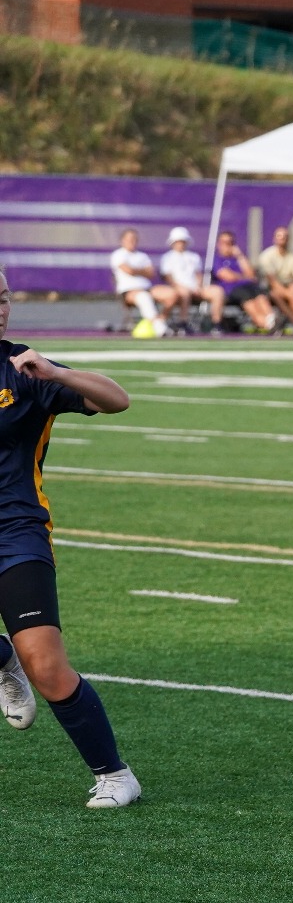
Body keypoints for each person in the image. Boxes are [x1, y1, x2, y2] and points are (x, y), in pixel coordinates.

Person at [0, 264, 141, 808]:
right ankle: (3, 659)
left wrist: (57, 373)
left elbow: (117, 399)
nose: (1, 308)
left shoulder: (24, 369)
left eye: (4, 297)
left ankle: (115, 775)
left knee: (47, 667)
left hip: (15, 534)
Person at [109, 229, 176, 338]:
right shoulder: (118, 255)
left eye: (134, 239)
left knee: (172, 294)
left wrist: (136, 270)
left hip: (147, 288)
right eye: (129, 239)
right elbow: (129, 271)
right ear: (122, 240)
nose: (132, 241)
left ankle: (160, 321)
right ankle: (160, 328)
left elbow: (151, 273)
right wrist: (143, 271)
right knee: (143, 297)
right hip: (128, 291)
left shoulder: (142, 256)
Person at [158, 227, 222, 334]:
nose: (180, 244)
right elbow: (168, 277)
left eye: (183, 241)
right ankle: (183, 322)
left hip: (195, 288)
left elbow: (198, 274)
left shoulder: (194, 257)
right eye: (178, 241)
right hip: (179, 289)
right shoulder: (167, 258)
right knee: (185, 293)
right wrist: (180, 287)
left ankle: (216, 323)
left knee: (217, 291)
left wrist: (199, 286)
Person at [213, 231, 279, 333]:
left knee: (261, 298)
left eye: (231, 243)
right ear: (219, 244)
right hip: (233, 289)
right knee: (251, 305)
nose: (228, 246)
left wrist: (240, 256)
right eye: (225, 243)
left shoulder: (238, 258)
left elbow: (251, 274)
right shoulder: (217, 259)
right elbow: (228, 276)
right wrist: (244, 277)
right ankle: (269, 325)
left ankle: (273, 320)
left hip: (250, 286)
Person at [257, 226, 293, 328]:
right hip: (269, 289)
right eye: (279, 236)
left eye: (285, 237)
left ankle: (291, 323)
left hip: (288, 286)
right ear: (274, 239)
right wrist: (291, 295)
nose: (282, 239)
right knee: (276, 294)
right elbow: (272, 282)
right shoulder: (266, 256)